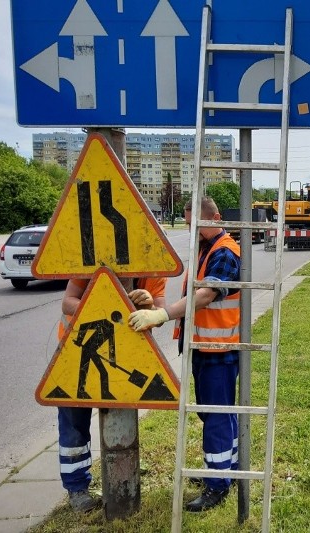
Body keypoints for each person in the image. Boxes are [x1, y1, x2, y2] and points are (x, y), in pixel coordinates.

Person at [128, 196, 241, 513]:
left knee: (216, 415)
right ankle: (224, 471)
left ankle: (217, 485)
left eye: (198, 225)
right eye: (190, 225)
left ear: (215, 218)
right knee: (215, 414)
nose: (193, 231)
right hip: (204, 346)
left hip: (218, 348)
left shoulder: (224, 251)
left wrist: (163, 316)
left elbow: (206, 295)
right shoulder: (206, 248)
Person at [56, 276, 166, 513]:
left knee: (116, 407)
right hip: (75, 349)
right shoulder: (97, 255)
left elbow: (160, 314)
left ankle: (123, 473)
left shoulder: (154, 264)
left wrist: (148, 307)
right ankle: (76, 488)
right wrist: (109, 304)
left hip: (120, 354)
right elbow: (68, 302)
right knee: (73, 423)